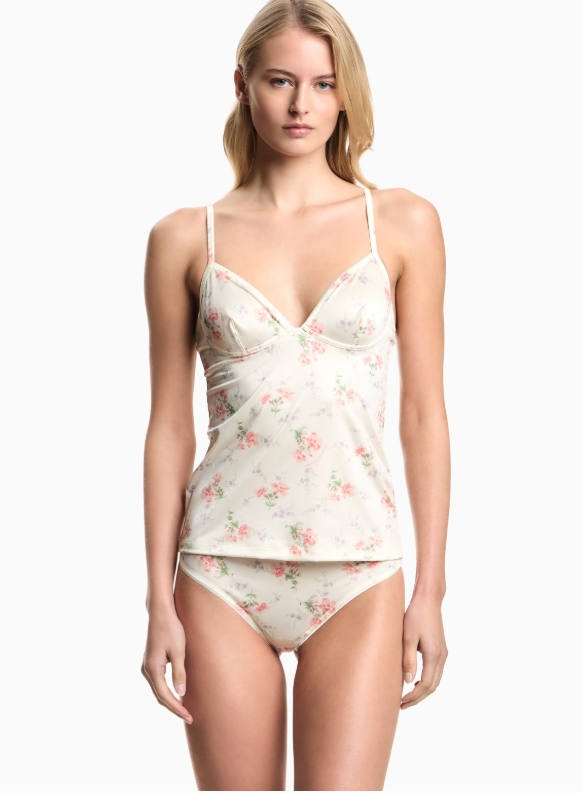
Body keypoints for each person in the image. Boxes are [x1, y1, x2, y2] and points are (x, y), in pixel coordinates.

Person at [141, 0, 450, 789]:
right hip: (219, 568)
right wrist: (157, 603)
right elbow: (169, 427)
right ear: (241, 85)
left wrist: (431, 590)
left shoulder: (402, 223)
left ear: (346, 93)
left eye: (322, 83)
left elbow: (424, 414)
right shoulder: (184, 237)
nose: (301, 104)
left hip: (359, 566)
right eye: (280, 81)